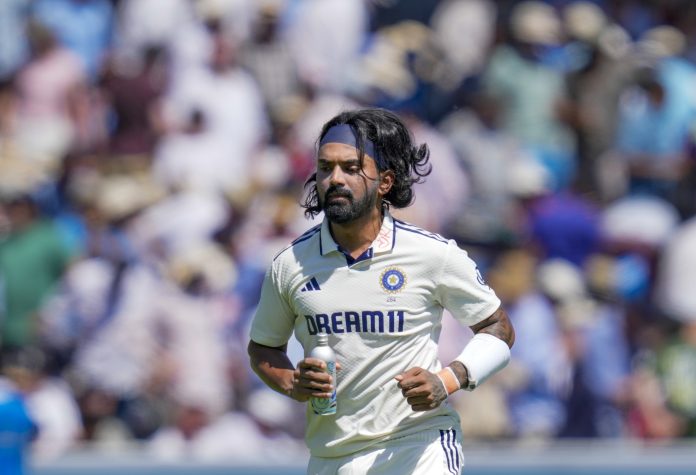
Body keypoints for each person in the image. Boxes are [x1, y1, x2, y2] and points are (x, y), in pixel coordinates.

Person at [247, 108, 514, 474]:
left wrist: (448, 380)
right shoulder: (289, 264)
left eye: (351, 168)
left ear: (385, 182)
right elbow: (263, 348)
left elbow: (498, 328)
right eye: (325, 168)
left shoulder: (432, 254)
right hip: (333, 457)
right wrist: (294, 382)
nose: (335, 179)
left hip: (418, 448)